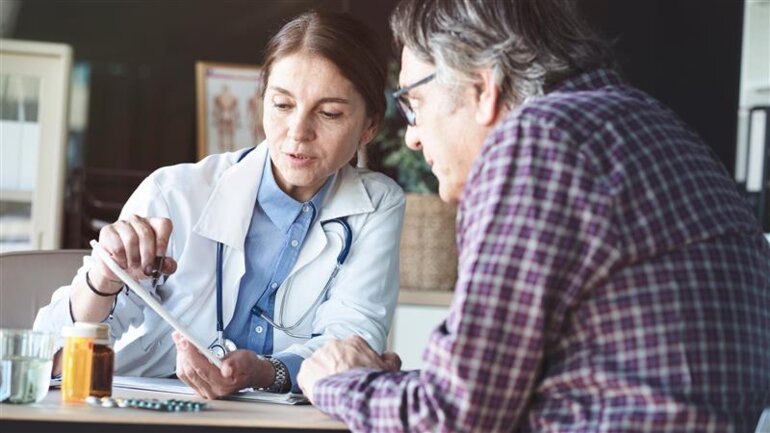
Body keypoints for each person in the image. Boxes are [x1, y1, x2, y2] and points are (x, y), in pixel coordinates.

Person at [296, 1, 770, 431]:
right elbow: (508, 392)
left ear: (482, 86)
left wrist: (341, 382)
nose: (412, 139)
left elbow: (454, 416)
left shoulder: (538, 139)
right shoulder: (660, 130)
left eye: (413, 105)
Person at [34, 11, 405, 398]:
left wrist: (264, 373)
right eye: (281, 105)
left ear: (370, 126)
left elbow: (350, 348)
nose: (298, 132)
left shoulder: (377, 205)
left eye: (329, 113)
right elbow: (45, 353)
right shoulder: (174, 192)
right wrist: (103, 281)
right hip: (149, 409)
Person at [211, 84, 240, 152]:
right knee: (226, 133)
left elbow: (235, 109)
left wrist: (214, 118)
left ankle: (227, 148)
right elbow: (215, 109)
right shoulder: (230, 97)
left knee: (227, 133)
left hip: (224, 115)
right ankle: (226, 148)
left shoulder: (219, 97)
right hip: (227, 115)